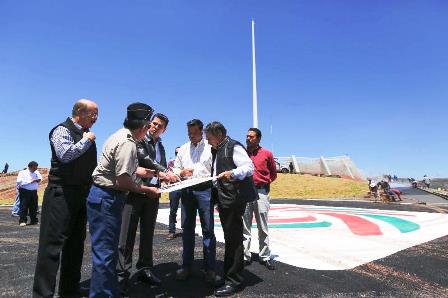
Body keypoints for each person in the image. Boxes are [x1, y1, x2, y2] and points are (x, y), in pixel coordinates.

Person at [87, 102, 161, 297]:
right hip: (108, 198)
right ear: (144, 126)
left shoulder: (119, 135)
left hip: (103, 196)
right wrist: (146, 189)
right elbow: (124, 180)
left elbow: (127, 167)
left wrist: (158, 174)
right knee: (105, 255)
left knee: (106, 252)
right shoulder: (128, 143)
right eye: (148, 126)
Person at [33, 99, 98, 298]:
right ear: (80, 112)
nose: (96, 118)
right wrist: (87, 140)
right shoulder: (61, 130)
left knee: (75, 245)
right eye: (93, 114)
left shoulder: (86, 135)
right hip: (60, 194)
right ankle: (43, 294)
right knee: (51, 247)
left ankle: (69, 290)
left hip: (81, 194)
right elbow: (66, 154)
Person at [117, 113, 178, 290]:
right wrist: (164, 173)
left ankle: (145, 269)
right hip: (135, 192)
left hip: (153, 195)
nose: (154, 127)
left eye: (159, 126)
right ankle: (121, 275)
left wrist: (165, 180)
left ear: (164, 130)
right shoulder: (139, 140)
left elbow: (162, 166)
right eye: (153, 123)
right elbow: (145, 159)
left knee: (147, 234)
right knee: (126, 235)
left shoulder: (161, 146)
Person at [205, 121, 258, 297]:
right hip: (224, 198)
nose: (207, 140)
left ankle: (234, 281)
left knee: (234, 240)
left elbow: (249, 167)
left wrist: (232, 173)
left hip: (233, 199)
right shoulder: (218, 149)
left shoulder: (233, 146)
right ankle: (230, 276)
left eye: (209, 137)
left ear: (218, 134)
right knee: (230, 238)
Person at [171, 119, 217, 284]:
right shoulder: (183, 149)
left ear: (202, 131)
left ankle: (210, 269)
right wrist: (180, 171)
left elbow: (215, 168)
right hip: (187, 191)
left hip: (205, 190)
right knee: (187, 229)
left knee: (208, 229)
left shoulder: (211, 147)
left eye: (195, 133)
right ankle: (186, 266)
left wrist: (195, 172)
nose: (191, 136)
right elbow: (175, 168)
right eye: (189, 133)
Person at [243, 128, 277, 270]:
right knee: (245, 226)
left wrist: (264, 182)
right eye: (247, 136)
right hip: (245, 192)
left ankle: (264, 256)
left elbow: (273, 174)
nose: (248, 139)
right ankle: (245, 256)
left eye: (251, 137)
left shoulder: (267, 154)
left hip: (261, 192)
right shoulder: (242, 153)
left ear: (258, 139)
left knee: (263, 226)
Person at [16, 161, 42, 226]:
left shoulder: (36, 172)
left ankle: (33, 220)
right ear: (30, 167)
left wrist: (38, 180)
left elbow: (40, 178)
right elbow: (19, 182)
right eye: (34, 168)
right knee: (24, 206)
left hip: (34, 192)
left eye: (36, 168)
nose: (36, 169)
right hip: (25, 191)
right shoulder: (22, 172)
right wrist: (30, 181)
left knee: (34, 207)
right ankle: (22, 221)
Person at [166, 146, 182, 240]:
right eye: (176, 153)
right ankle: (171, 231)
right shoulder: (171, 163)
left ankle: (187, 229)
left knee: (186, 210)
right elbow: (168, 174)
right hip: (174, 187)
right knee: (173, 210)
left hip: (184, 187)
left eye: (179, 153)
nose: (178, 154)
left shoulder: (185, 162)